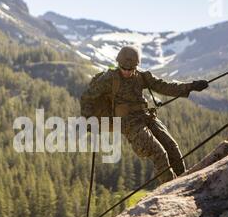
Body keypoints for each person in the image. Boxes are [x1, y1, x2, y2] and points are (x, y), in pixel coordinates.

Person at [81, 46, 209, 184]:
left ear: (136, 66)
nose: (126, 72)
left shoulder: (142, 76)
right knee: (159, 154)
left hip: (146, 116)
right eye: (123, 68)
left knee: (172, 148)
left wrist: (190, 86)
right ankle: (172, 190)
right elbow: (87, 97)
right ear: (118, 64)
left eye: (130, 69)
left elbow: (164, 86)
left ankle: (185, 183)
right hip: (129, 124)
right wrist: (89, 120)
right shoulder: (109, 79)